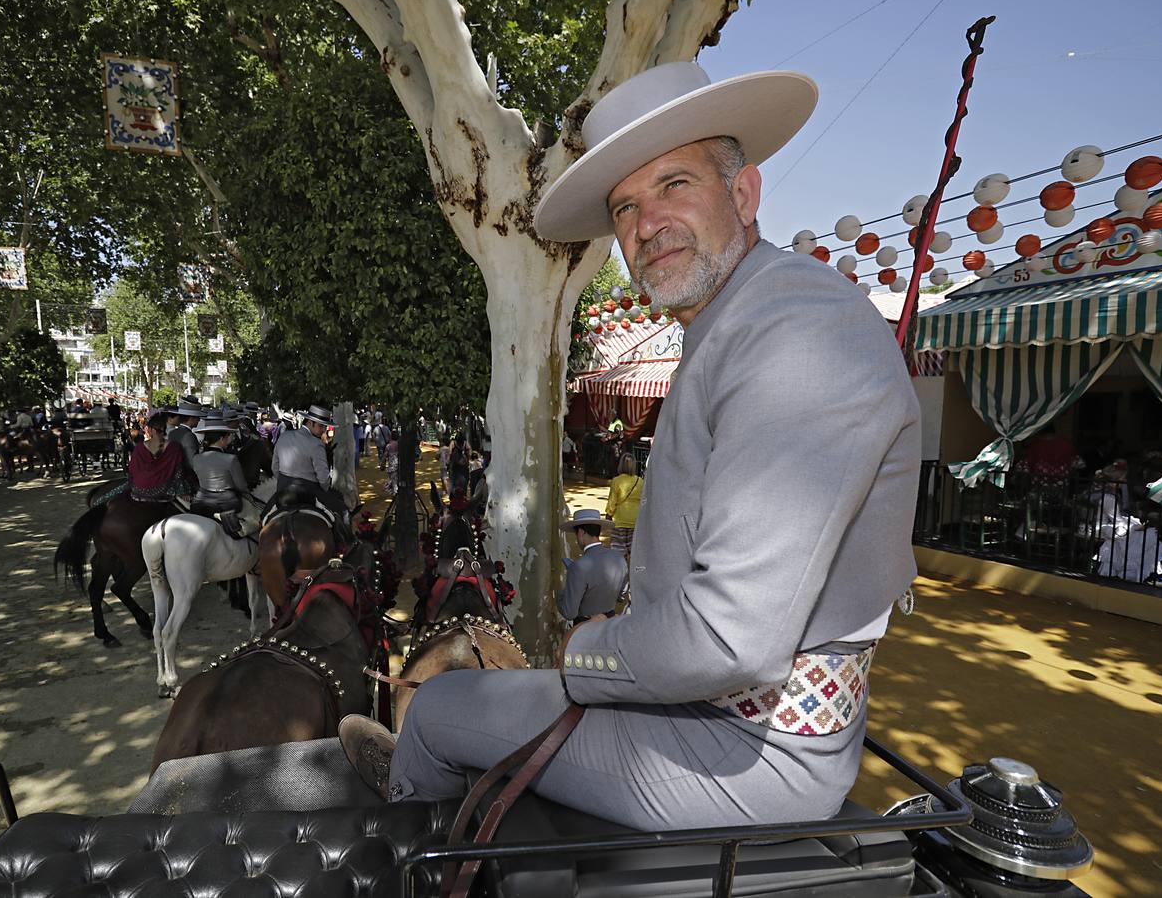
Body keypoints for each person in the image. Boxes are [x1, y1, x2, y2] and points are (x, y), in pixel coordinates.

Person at [340, 62, 920, 832]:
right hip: (710, 713)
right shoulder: (741, 320)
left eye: (675, 184)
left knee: (442, 706)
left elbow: (724, 639)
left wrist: (584, 649)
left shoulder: (796, 331)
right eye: (625, 207)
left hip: (749, 749)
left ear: (743, 195)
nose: (647, 224)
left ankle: (414, 836)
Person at [271, 404, 350, 531]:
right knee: (344, 511)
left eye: (324, 426)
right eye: (321, 426)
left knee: (263, 515)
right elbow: (323, 479)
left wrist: (283, 481)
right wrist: (325, 490)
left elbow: (274, 467)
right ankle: (348, 545)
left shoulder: (284, 436)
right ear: (310, 422)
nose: (323, 430)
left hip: (283, 489)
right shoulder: (316, 444)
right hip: (309, 492)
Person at [558, 509, 629, 624]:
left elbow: (569, 612)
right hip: (610, 624)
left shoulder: (579, 566)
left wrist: (560, 594)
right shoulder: (619, 558)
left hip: (585, 628)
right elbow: (621, 596)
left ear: (581, 533)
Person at [190, 411, 250, 537]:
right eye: (228, 436)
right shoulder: (230, 459)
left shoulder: (196, 458)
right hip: (227, 502)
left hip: (200, 501)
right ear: (222, 439)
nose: (229, 439)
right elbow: (241, 486)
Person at [128, 408, 190, 503]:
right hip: (163, 491)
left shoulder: (139, 447)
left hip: (138, 490)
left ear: (150, 430)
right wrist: (182, 491)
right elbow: (178, 472)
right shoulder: (174, 447)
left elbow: (132, 470)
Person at [605, 453, 645, 556]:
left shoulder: (616, 481)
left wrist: (608, 515)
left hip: (619, 521)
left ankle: (622, 571)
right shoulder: (640, 481)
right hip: (635, 521)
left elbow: (612, 502)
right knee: (635, 553)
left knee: (618, 554)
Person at [166, 397, 205, 462]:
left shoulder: (172, 433)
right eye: (197, 417)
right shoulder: (189, 435)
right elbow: (192, 461)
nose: (199, 420)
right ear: (191, 418)